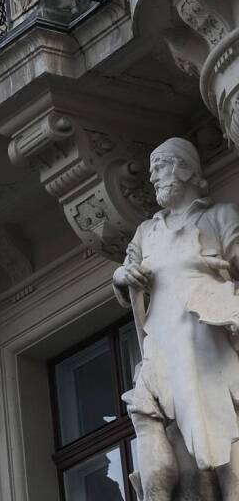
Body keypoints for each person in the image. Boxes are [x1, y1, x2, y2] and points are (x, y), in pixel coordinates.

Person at [113, 137, 239, 500]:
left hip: (204, 339)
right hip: (161, 342)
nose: (152, 177)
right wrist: (123, 277)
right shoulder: (147, 232)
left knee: (215, 430)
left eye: (160, 166)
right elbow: (125, 270)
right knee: (151, 416)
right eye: (152, 169)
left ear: (185, 168)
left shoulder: (219, 216)